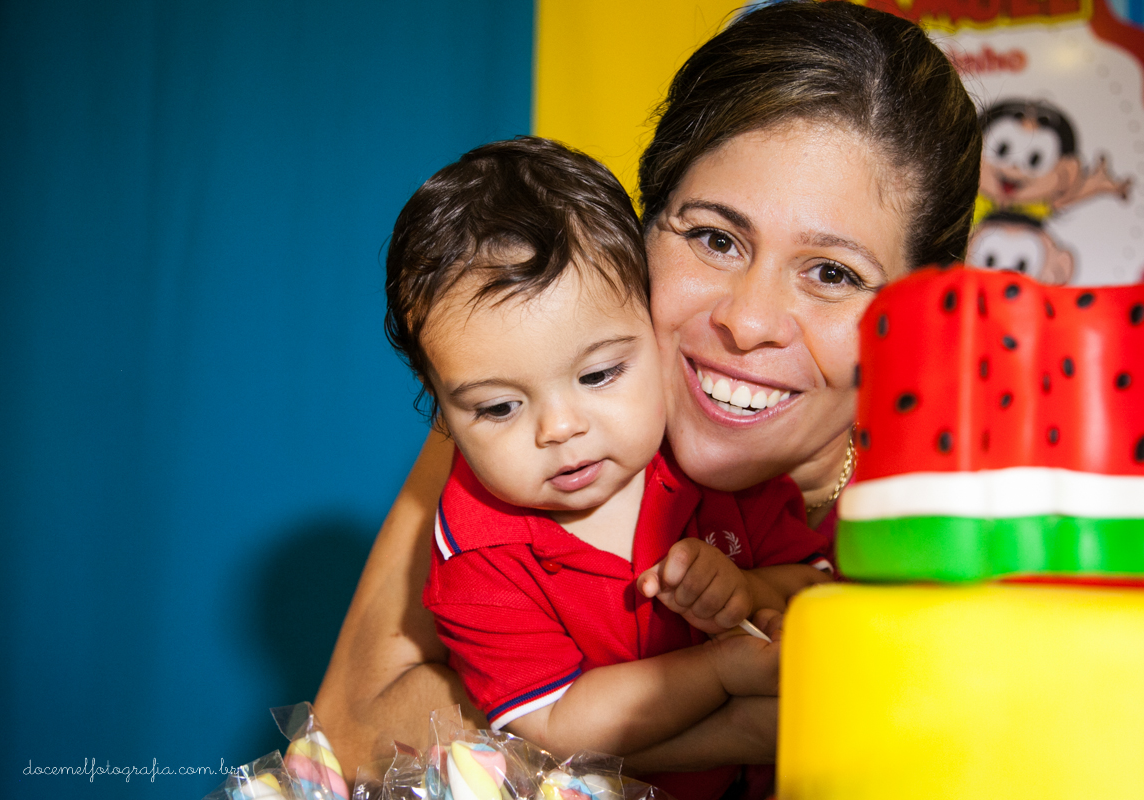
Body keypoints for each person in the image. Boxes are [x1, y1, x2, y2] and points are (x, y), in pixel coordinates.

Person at [315, 0, 981, 785]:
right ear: (642, 227)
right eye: (714, 237)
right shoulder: (540, 407)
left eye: (832, 273)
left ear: (922, 305)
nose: (747, 321)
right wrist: (731, 721)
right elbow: (351, 730)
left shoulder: (980, 495)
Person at [384, 136, 833, 800]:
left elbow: (818, 592)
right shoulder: (478, 553)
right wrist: (718, 672)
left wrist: (748, 591)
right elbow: (551, 724)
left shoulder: (707, 455)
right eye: (500, 407)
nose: (560, 428)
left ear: (653, 328)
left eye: (600, 374)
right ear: (444, 415)